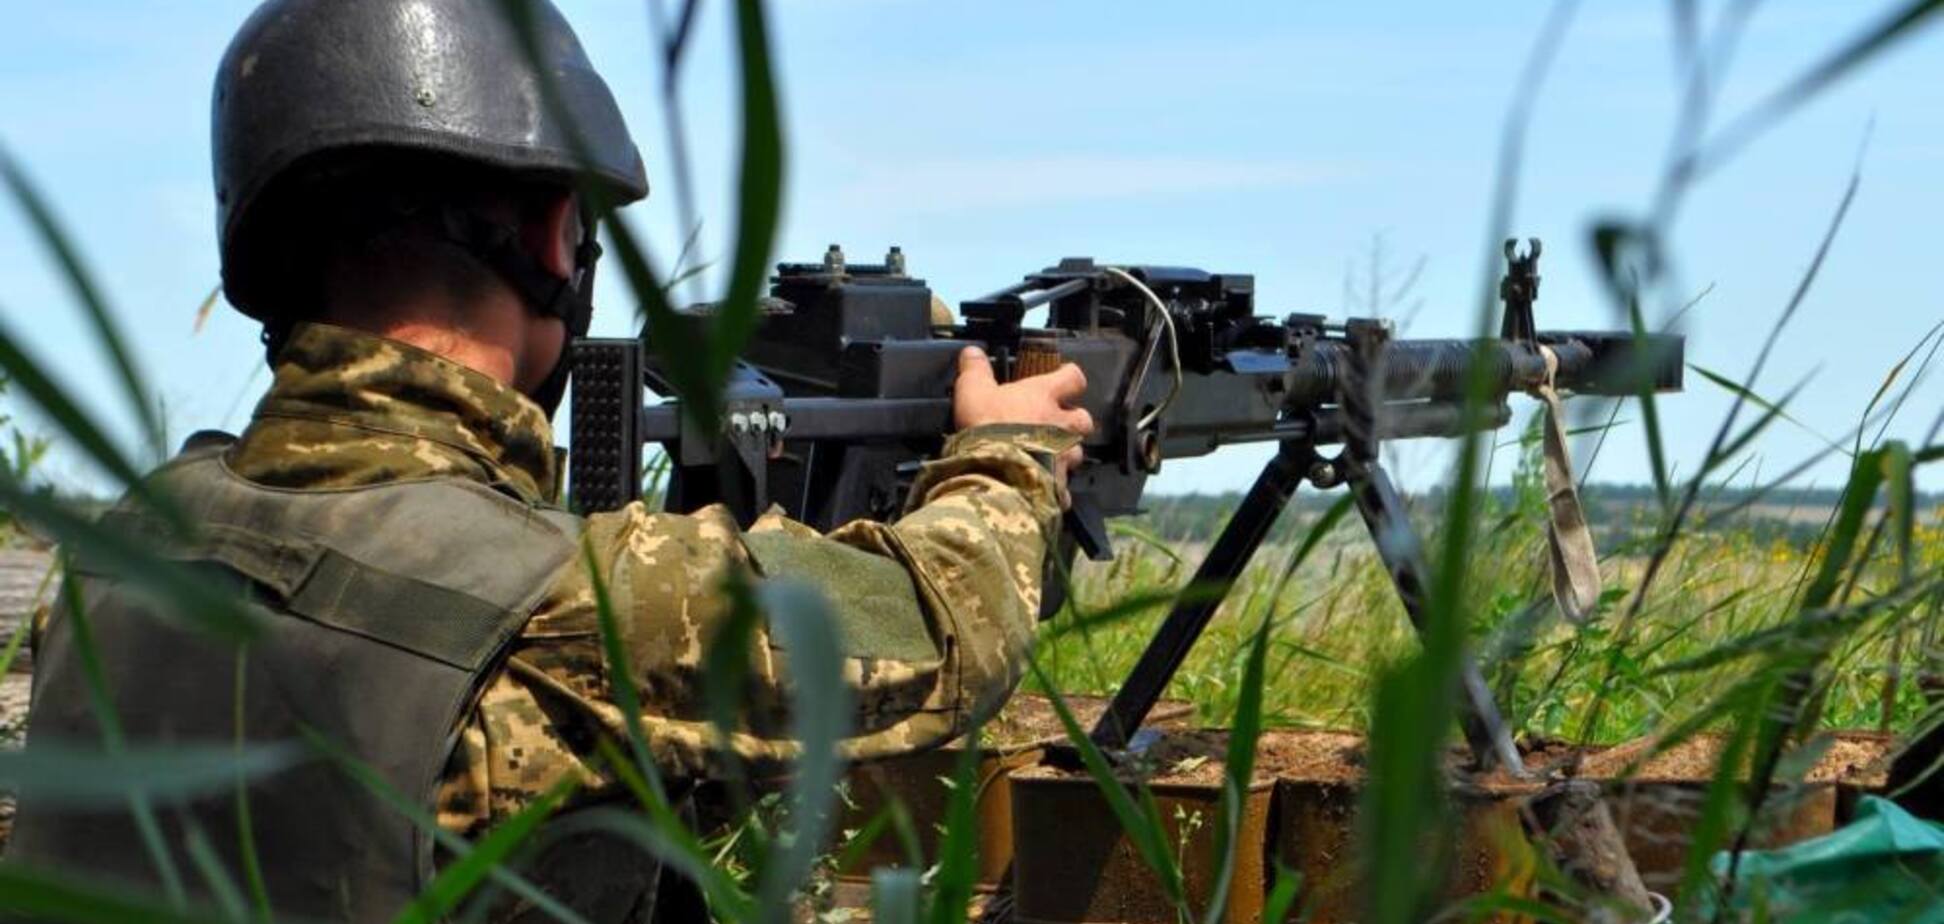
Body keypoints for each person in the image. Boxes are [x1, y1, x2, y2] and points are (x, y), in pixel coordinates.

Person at [6, 1, 1092, 921]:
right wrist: (1009, 452)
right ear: (553, 239)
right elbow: (945, 623)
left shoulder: (123, 551)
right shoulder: (584, 605)